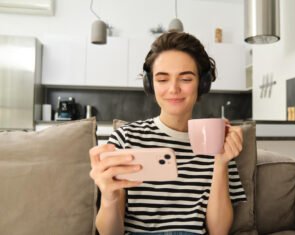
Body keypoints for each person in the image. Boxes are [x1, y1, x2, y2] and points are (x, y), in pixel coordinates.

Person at [89, 32, 247, 235]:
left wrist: (221, 162)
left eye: (186, 78)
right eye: (162, 79)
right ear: (150, 84)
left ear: (202, 83)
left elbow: (218, 231)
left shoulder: (217, 142)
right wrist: (109, 197)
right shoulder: (125, 139)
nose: (173, 89)